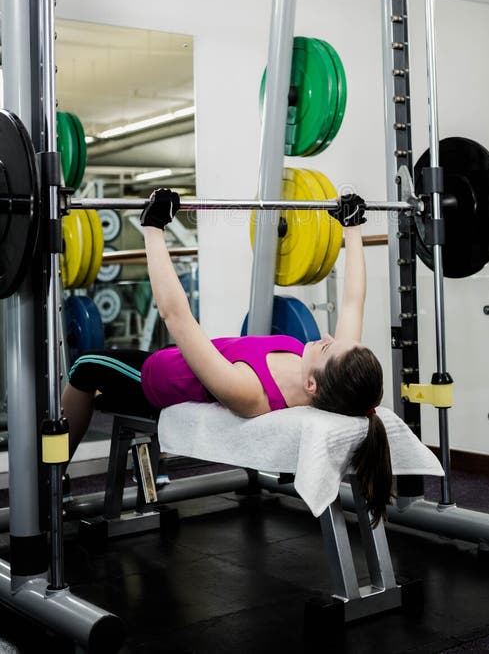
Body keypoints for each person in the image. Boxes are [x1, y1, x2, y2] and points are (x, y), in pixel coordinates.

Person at [62, 189, 393, 523]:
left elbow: (175, 315)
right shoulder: (333, 374)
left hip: (153, 379)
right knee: (98, 381)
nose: (326, 336)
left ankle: (53, 475)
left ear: (311, 385)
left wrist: (153, 228)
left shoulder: (249, 391)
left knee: (85, 366)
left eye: (326, 346)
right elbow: (353, 301)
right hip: (170, 358)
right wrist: (352, 227)